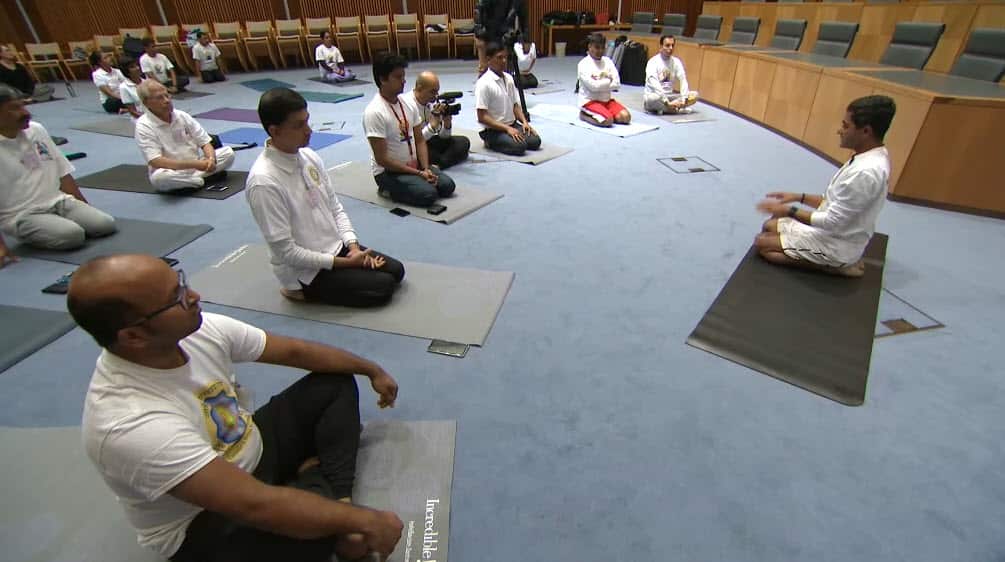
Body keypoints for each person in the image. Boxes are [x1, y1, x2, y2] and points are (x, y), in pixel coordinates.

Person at [70, 253, 404, 562]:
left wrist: (370, 368)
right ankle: (318, 487)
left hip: (249, 446)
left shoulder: (197, 329)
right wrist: (367, 519)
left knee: (334, 383)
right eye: (176, 298)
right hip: (203, 519)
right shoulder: (129, 423)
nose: (194, 295)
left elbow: (295, 352)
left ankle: (333, 497)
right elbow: (253, 505)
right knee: (305, 532)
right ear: (133, 337)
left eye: (181, 282)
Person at [248, 87, 405, 306]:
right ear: (275, 131)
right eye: (298, 125)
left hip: (336, 249)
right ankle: (296, 291)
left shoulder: (309, 157)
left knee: (396, 271)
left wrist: (352, 247)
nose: (308, 130)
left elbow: (335, 207)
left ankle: (346, 263)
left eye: (307, 121)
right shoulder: (263, 182)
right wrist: (347, 264)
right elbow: (286, 252)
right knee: (383, 286)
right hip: (306, 271)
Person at [755, 95, 896, 277]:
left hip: (837, 245)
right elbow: (831, 202)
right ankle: (834, 259)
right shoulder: (870, 156)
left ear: (866, 131)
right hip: (837, 233)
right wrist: (798, 197)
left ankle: (838, 265)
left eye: (846, 126)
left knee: (763, 244)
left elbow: (831, 223)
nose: (840, 131)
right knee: (770, 226)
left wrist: (789, 210)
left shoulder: (865, 173)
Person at [0, 84, 115, 266]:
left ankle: (57, 222)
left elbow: (62, 171)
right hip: (21, 214)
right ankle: (38, 230)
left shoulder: (36, 130)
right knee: (72, 235)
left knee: (104, 224)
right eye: (14, 109)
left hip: (58, 200)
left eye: (23, 105)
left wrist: (83, 206)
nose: (24, 112)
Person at [363, 52, 455, 207]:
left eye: (403, 76)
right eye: (398, 77)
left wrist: (426, 168)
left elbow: (419, 140)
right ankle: (387, 189)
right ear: (383, 79)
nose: (404, 81)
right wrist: (419, 174)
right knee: (429, 195)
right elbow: (382, 159)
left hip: (414, 164)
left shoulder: (408, 104)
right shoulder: (374, 112)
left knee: (447, 186)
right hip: (389, 172)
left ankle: (416, 180)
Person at [135, 80, 234, 192]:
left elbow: (205, 142)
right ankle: (201, 180)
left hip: (199, 166)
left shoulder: (182, 116)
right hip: (171, 171)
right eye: (159, 98)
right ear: (146, 102)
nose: (167, 101)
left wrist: (211, 159)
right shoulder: (143, 125)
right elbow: (156, 161)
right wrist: (196, 164)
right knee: (160, 179)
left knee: (228, 153)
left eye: (167, 95)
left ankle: (193, 182)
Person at [475, 42, 540, 156]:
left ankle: (508, 136)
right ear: (489, 59)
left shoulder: (509, 78)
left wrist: (525, 123)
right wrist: (506, 129)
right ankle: (489, 141)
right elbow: (482, 117)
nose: (504, 61)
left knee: (535, 142)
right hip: (494, 130)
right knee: (521, 146)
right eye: (499, 58)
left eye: (505, 57)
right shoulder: (483, 83)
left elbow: (515, 105)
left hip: (512, 124)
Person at [400, 71, 470, 170]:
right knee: (426, 154)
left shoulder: (431, 102)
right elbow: (413, 141)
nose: (436, 95)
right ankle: (443, 162)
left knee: (463, 141)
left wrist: (447, 124)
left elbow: (444, 137)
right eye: (432, 91)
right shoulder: (406, 105)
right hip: (415, 146)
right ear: (419, 88)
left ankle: (439, 164)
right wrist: (432, 127)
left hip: (429, 140)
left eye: (437, 91)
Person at [578, 33, 630, 127]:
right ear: (590, 47)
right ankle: (584, 115)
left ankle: (604, 113)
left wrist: (601, 84)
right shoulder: (583, 64)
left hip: (606, 100)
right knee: (607, 120)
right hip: (590, 101)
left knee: (626, 117)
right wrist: (608, 81)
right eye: (597, 48)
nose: (600, 51)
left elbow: (617, 84)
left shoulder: (608, 61)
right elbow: (593, 87)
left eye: (603, 48)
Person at [643, 35, 697, 115]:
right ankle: (675, 110)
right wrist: (666, 102)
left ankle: (665, 109)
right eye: (667, 45)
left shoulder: (676, 62)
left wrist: (683, 98)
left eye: (672, 45)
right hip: (657, 96)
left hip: (670, 96)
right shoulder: (653, 62)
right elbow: (655, 85)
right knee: (652, 99)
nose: (671, 48)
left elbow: (683, 80)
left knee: (694, 95)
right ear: (661, 46)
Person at [473, 0, 527, 75]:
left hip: (504, 34)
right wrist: (480, 33)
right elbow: (478, 12)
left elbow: (523, 19)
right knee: (484, 68)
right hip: (486, 33)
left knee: (503, 67)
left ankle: (502, 84)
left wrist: (526, 39)